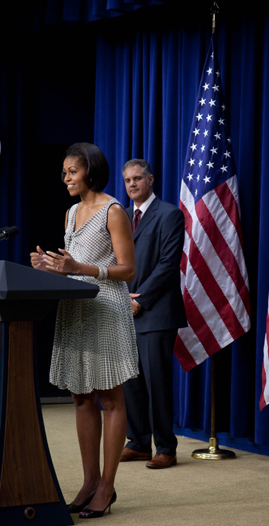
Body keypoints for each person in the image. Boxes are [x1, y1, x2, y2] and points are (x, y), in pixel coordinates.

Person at [30, 143, 139, 518]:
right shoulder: (71, 211)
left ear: (89, 171)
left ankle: (107, 487)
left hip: (106, 308)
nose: (65, 179)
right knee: (80, 397)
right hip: (76, 309)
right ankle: (89, 481)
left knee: (110, 399)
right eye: (64, 173)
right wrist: (51, 265)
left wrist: (82, 268)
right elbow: (73, 265)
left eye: (71, 172)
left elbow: (128, 270)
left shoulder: (114, 211)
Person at [120, 158, 187, 469]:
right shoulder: (121, 217)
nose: (132, 184)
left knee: (156, 382)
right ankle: (137, 442)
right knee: (131, 381)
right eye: (128, 180)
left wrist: (141, 299)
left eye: (137, 179)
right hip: (124, 310)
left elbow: (168, 265)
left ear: (151, 180)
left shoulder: (169, 214)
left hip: (156, 312)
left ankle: (165, 448)